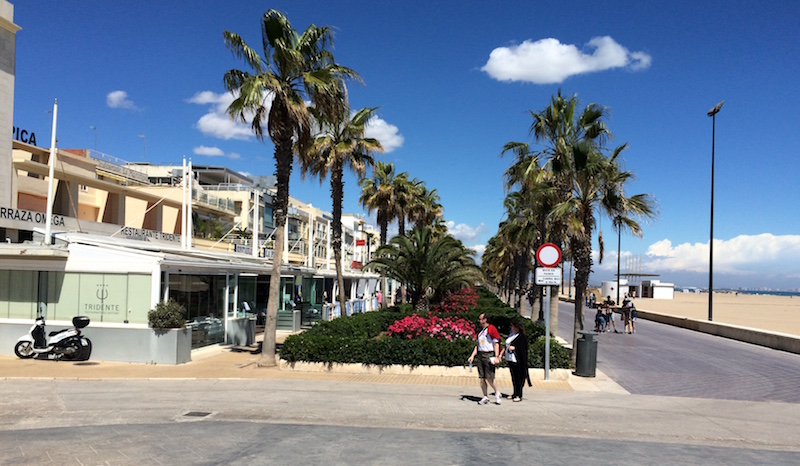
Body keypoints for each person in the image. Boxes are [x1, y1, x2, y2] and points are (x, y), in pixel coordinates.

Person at [467, 313, 502, 405]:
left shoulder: (491, 329)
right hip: (480, 355)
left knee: (489, 377)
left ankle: (497, 392)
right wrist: (472, 355)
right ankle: (485, 396)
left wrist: (497, 356)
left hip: (488, 354)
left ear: (485, 320)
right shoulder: (481, 332)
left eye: (480, 319)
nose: (479, 321)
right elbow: (478, 345)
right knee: (482, 378)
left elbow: (496, 343)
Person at [499, 319, 531, 402]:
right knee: (513, 377)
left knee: (518, 378)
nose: (511, 328)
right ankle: (514, 393)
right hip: (510, 359)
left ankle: (519, 394)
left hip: (517, 360)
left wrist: (515, 348)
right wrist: (501, 354)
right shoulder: (511, 335)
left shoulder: (521, 337)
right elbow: (506, 345)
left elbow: (523, 349)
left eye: (512, 326)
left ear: (517, 327)